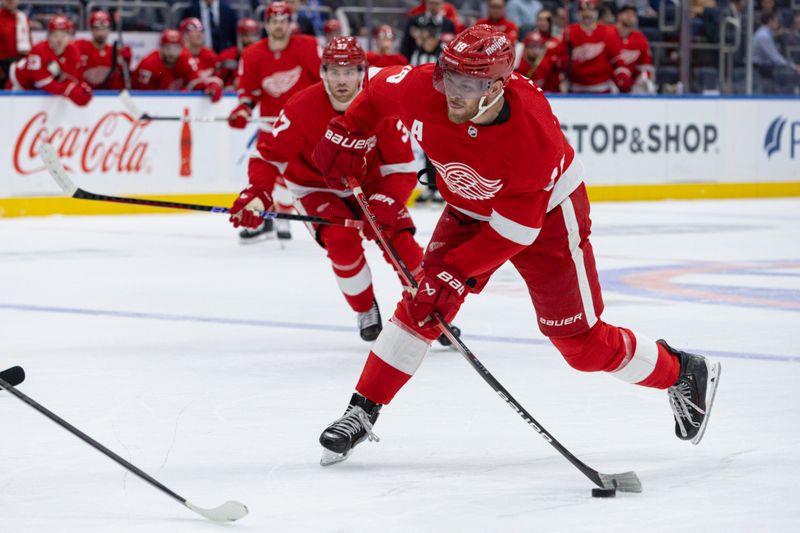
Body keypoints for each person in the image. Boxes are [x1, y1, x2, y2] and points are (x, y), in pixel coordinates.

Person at [311, 25, 721, 465]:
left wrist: (455, 271)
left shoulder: (532, 140)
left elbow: (515, 232)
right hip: (469, 207)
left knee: (580, 346)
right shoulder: (425, 88)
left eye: (468, 84)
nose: (453, 92)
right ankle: (361, 410)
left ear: (497, 87)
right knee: (422, 303)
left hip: (546, 220)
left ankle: (681, 372)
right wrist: (349, 128)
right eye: (449, 77)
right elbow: (376, 90)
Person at [229, 37, 427, 342]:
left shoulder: (382, 105)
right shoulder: (300, 107)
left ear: (363, 72)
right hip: (314, 187)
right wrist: (257, 192)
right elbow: (267, 157)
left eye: (350, 72)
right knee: (341, 241)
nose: (342, 80)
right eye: (335, 71)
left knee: (398, 237)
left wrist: (388, 201)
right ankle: (364, 307)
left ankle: (427, 307)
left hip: (369, 184)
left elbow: (401, 168)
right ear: (322, 72)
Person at [227, 1, 321, 242]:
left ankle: (281, 219)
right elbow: (248, 93)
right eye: (274, 21)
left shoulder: (309, 47)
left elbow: (325, 82)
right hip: (272, 127)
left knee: (294, 175)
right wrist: (242, 110)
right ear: (266, 25)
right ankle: (265, 221)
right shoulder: (252, 54)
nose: (279, 26)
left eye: (283, 21)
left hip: (304, 128)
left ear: (291, 24)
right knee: (262, 175)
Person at [6, 15, 91, 106]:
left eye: (63, 35)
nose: (59, 40)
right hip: (18, 84)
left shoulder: (72, 51)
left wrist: (78, 86)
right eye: (55, 35)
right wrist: (68, 90)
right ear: (49, 36)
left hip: (37, 87)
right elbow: (41, 82)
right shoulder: (38, 51)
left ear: (69, 37)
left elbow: (70, 78)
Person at [557, 0, 631, 92]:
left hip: (602, 89)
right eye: (583, 10)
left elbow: (617, 59)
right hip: (575, 89)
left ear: (596, 12)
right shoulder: (569, 32)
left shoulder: (608, 32)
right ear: (579, 12)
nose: (587, 14)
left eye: (590, 10)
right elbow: (562, 58)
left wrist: (621, 74)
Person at [132, 28, 223, 101]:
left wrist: (210, 86)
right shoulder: (149, 64)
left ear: (181, 48)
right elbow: (141, 96)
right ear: (161, 48)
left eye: (176, 48)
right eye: (168, 48)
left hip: (175, 104)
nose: (171, 53)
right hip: (152, 106)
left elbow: (194, 81)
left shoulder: (185, 57)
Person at [74, 11, 131, 90]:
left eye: (104, 28)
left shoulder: (115, 52)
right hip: (83, 94)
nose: (100, 33)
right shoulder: (79, 47)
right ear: (91, 29)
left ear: (109, 29)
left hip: (107, 97)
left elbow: (121, 83)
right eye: (97, 28)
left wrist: (126, 64)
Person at [616, 4, 654, 93]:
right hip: (610, 83)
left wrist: (641, 80)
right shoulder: (608, 34)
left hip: (633, 86)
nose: (630, 16)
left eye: (633, 14)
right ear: (618, 16)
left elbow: (646, 66)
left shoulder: (640, 38)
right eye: (626, 13)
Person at [215, 17, 260, 90]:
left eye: (253, 35)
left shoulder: (263, 57)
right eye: (245, 35)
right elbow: (216, 81)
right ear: (239, 36)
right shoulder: (227, 56)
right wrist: (226, 89)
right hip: (229, 98)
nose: (250, 39)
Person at [0, 0, 32, 87]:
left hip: (20, 69)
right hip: (2, 70)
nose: (10, 1)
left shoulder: (23, 18)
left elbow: (29, 46)